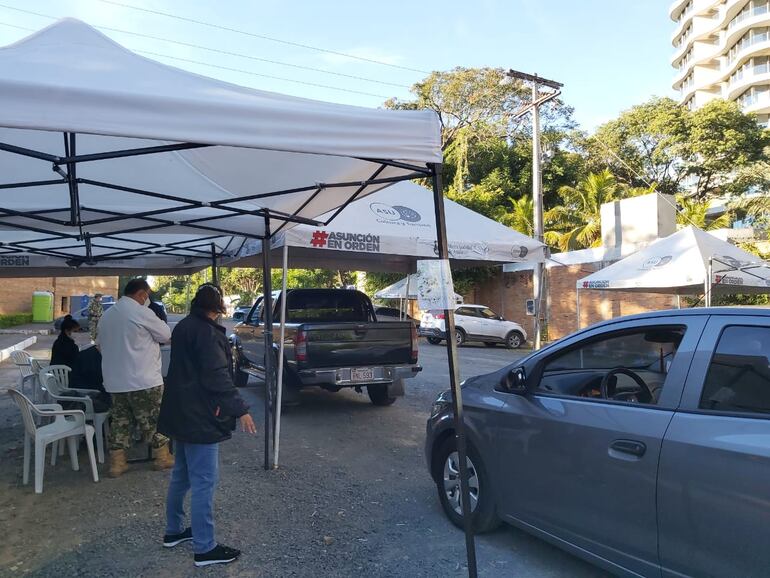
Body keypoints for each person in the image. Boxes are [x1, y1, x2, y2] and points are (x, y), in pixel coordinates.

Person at [158, 284, 257, 568]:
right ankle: (205, 548)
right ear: (217, 309)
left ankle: (174, 531)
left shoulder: (184, 326)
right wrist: (241, 410)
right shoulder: (207, 333)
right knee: (204, 482)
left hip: (180, 411)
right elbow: (217, 376)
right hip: (200, 415)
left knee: (182, 475)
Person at [97, 279, 173, 477]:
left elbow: (99, 345)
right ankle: (162, 458)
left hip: (115, 382)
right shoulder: (140, 312)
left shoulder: (107, 315)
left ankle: (117, 463)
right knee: (154, 420)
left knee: (120, 422)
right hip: (143, 380)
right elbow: (165, 334)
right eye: (146, 296)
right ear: (141, 294)